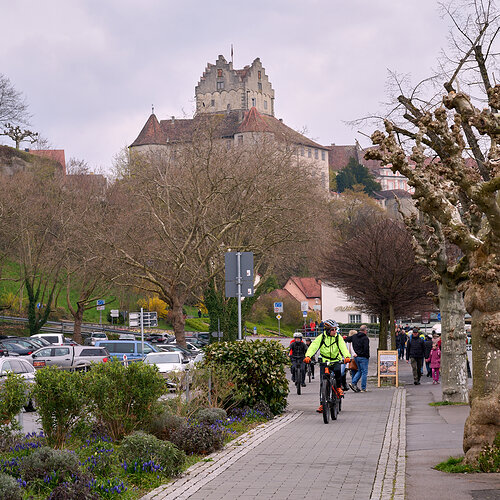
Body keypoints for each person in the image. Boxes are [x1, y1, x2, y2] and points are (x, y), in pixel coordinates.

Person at [304, 319, 350, 413]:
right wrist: (308, 356)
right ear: (328, 330)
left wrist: (347, 356)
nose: (335, 331)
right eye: (333, 329)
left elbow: (343, 347)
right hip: (324, 361)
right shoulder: (321, 337)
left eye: (335, 329)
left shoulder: (338, 338)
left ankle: (338, 388)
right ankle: (322, 403)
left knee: (337, 372)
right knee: (323, 383)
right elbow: (314, 347)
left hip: (335, 360)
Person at [345, 324, 370, 392]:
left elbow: (347, 339)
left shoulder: (354, 336)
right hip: (363, 357)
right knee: (364, 372)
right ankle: (363, 388)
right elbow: (366, 349)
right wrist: (367, 356)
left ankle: (353, 383)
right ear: (365, 331)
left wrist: (343, 337)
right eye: (366, 330)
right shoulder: (365, 338)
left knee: (360, 370)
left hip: (356, 357)